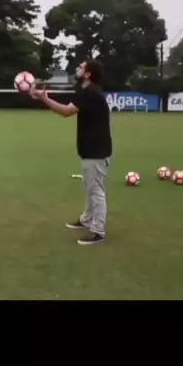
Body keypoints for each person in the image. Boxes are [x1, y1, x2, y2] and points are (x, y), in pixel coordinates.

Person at [30, 59, 112, 245]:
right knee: (90, 186)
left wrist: (44, 99)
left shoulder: (90, 93)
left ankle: (98, 231)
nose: (77, 68)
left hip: (96, 150)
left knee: (95, 190)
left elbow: (67, 111)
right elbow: (69, 104)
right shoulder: (84, 90)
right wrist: (42, 96)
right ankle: (87, 219)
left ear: (88, 74)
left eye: (81, 67)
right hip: (90, 148)